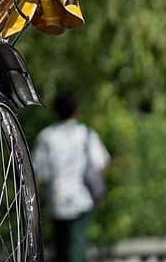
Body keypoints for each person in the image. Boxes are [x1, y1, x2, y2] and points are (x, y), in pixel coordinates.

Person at [33, 91, 111, 262]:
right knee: (76, 250)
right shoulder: (86, 134)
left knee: (61, 250)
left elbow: (38, 173)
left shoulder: (46, 137)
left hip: (56, 200)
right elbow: (102, 162)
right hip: (81, 199)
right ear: (76, 110)